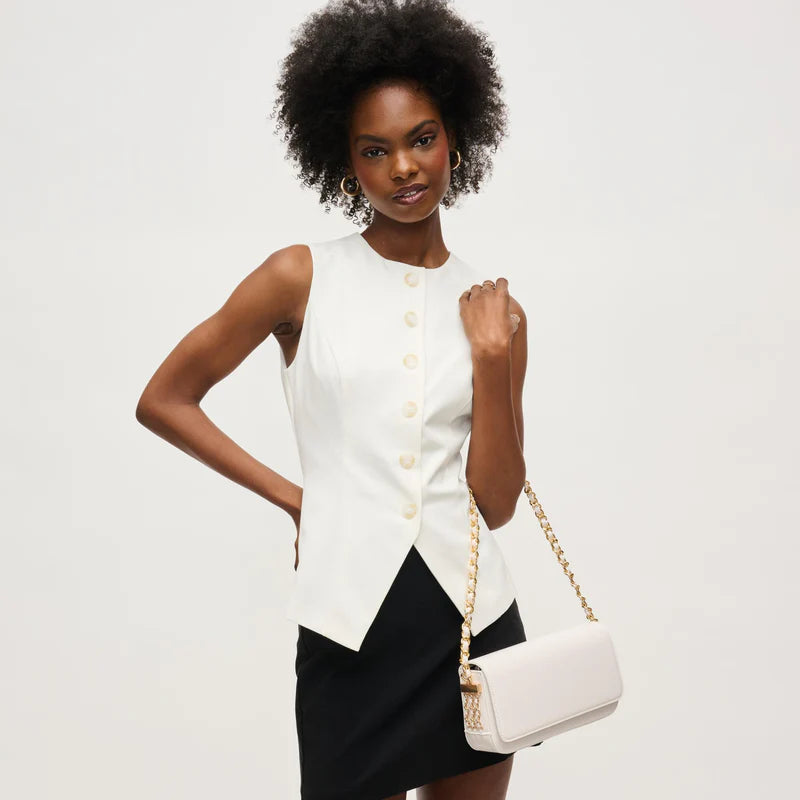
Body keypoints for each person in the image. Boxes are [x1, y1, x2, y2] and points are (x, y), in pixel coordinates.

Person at [136, 1, 529, 797]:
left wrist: (492, 360)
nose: (404, 168)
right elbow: (165, 399)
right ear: (346, 165)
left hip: (474, 622)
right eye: (375, 151)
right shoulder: (300, 276)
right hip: (349, 625)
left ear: (456, 138)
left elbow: (494, 504)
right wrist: (295, 500)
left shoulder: (497, 313)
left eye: (422, 138)